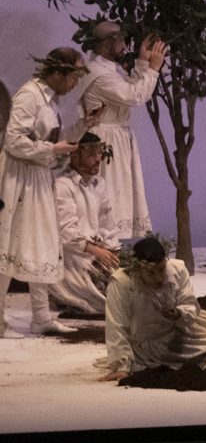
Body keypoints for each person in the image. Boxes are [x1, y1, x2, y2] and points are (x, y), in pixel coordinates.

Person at [2, 47, 88, 337]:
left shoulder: (51, 101)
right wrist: (51, 149)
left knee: (42, 242)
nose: (76, 82)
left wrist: (85, 126)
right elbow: (13, 141)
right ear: (59, 73)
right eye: (75, 75)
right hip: (18, 178)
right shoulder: (30, 95)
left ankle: (41, 316)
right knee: (8, 242)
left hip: (37, 176)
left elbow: (54, 141)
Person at [100, 235, 206, 380]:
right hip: (149, 343)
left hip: (183, 331)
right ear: (139, 269)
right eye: (151, 273)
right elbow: (116, 325)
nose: (159, 278)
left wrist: (179, 313)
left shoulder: (176, 269)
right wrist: (121, 366)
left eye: (161, 269)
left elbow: (189, 302)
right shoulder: (122, 283)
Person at [70, 19, 165, 239]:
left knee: (119, 193)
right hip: (106, 139)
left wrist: (142, 61)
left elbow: (129, 86)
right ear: (106, 44)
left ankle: (112, 246)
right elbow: (135, 95)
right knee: (111, 194)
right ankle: (107, 245)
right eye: (120, 40)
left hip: (116, 137)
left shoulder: (106, 70)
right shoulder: (99, 74)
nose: (124, 45)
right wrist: (153, 69)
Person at [52, 134, 122, 318]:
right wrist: (96, 251)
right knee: (111, 298)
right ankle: (69, 297)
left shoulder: (99, 184)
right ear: (74, 156)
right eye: (91, 153)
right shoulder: (63, 185)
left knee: (131, 280)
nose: (98, 158)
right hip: (73, 256)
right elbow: (65, 231)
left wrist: (113, 249)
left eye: (99, 152)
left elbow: (107, 222)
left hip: (96, 251)